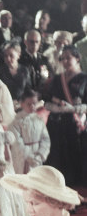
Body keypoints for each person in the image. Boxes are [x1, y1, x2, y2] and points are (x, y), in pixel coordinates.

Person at [43, 44, 87, 186]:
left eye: (69, 58)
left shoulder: (84, 79)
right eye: (63, 58)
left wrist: (74, 109)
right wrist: (55, 107)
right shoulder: (56, 79)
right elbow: (47, 98)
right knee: (56, 157)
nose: (66, 61)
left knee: (74, 158)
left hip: (74, 125)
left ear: (77, 58)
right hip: (55, 124)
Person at [9, 88, 50, 175]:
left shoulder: (39, 120)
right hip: (23, 157)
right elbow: (16, 142)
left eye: (34, 104)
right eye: (29, 104)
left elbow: (45, 139)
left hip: (37, 156)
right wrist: (29, 157)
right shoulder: (16, 122)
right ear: (22, 104)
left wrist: (40, 155)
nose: (32, 106)